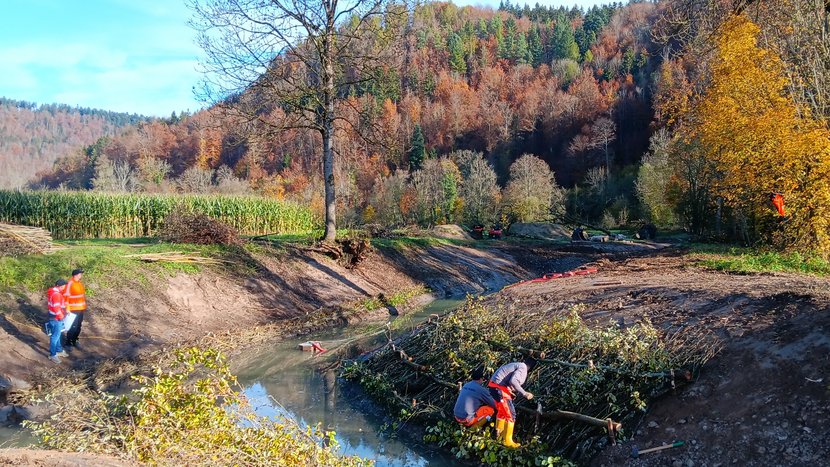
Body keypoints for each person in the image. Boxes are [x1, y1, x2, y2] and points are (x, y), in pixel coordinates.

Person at [488, 357, 537, 448]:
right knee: (511, 415)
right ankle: (507, 441)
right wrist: (524, 393)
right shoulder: (523, 368)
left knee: (502, 412)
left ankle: (498, 437)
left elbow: (508, 380)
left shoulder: (516, 365)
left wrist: (510, 390)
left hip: (493, 387)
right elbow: (513, 381)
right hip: (499, 389)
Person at [46, 279, 69, 363]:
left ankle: (59, 350)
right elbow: (56, 307)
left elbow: (59, 304)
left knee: (57, 334)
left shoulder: (53, 292)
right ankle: (53, 355)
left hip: (53, 317)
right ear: (60, 286)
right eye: (64, 287)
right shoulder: (56, 295)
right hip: (56, 318)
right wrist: (61, 316)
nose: (64, 288)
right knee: (55, 336)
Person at [63, 268, 87, 348]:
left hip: (80, 309)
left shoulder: (79, 283)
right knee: (73, 326)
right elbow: (66, 297)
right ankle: (68, 342)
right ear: (75, 275)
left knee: (78, 326)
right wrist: (67, 308)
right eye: (80, 274)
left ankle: (75, 340)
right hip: (73, 309)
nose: (81, 275)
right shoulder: (70, 283)